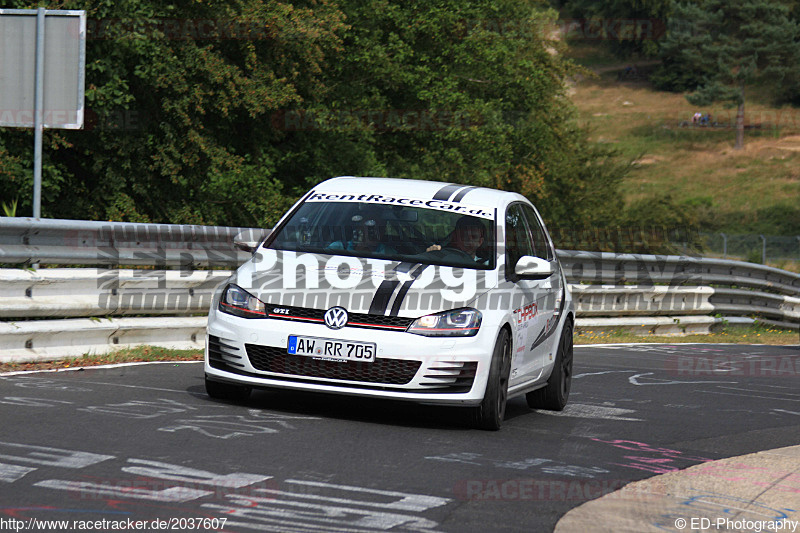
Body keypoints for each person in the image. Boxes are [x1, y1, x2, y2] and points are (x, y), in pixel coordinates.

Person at [327, 213, 395, 255]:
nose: (374, 231)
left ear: (383, 232)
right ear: (360, 228)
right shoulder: (338, 248)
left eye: (380, 228)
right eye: (370, 227)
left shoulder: (389, 253)